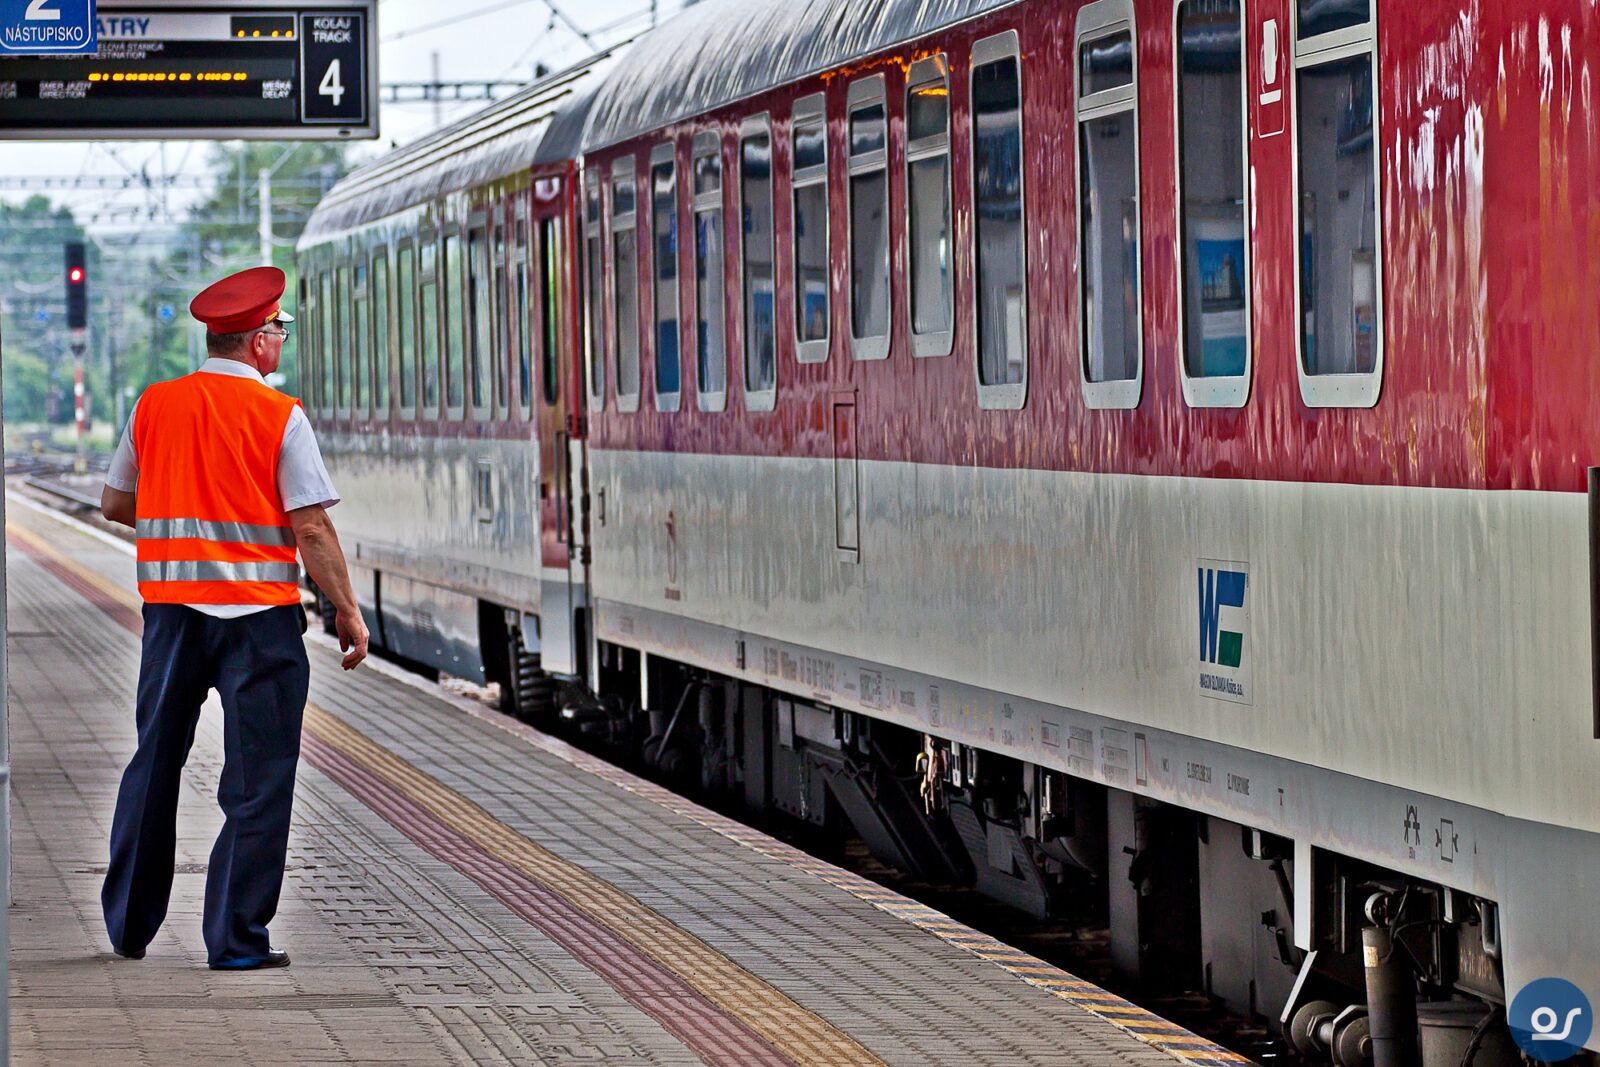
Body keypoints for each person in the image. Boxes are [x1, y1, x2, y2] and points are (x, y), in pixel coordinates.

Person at [97, 265, 369, 970]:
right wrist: (346, 609)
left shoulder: (155, 404)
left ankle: (128, 924)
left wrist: (179, 513)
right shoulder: (280, 415)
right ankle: (235, 940)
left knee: (155, 760)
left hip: (172, 619)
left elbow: (115, 503)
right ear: (258, 341)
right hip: (259, 622)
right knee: (258, 778)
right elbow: (311, 528)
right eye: (279, 329)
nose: (280, 340)